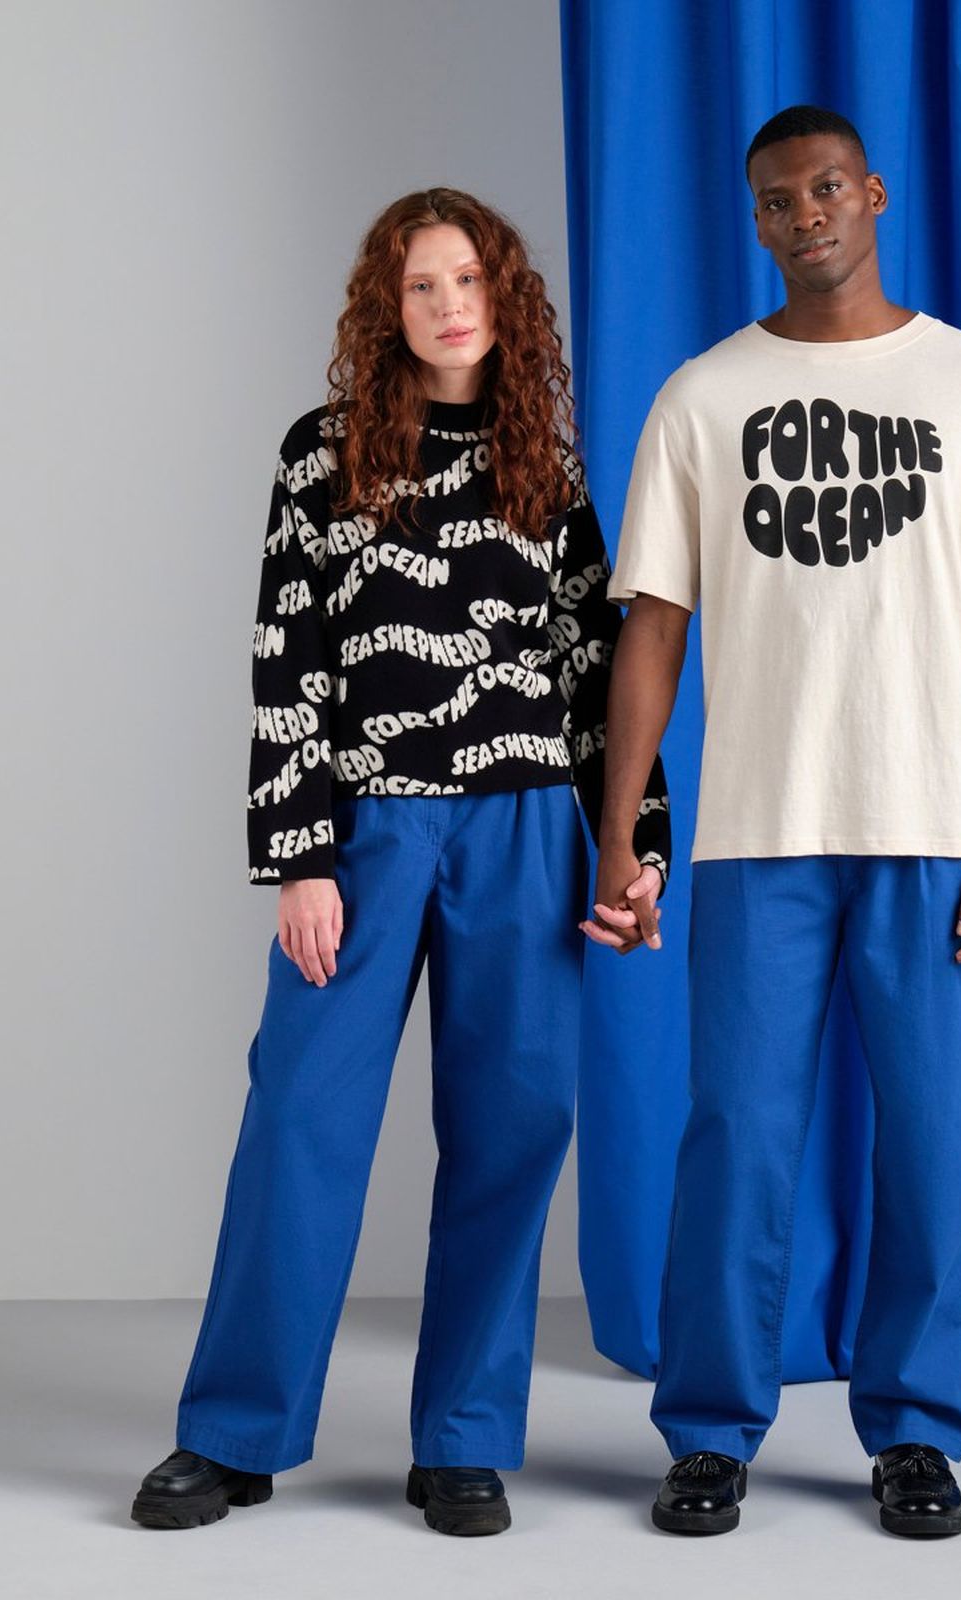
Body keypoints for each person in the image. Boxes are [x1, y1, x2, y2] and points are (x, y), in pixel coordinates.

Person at [130, 187, 671, 1537]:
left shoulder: (547, 460)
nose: (449, 306)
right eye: (421, 286)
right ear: (389, 305)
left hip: (528, 823)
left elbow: (601, 674)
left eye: (469, 280)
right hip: (370, 827)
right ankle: (236, 1432)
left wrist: (634, 846)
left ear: (506, 298)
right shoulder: (323, 457)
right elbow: (287, 656)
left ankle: (463, 1441)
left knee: (511, 1126)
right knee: (301, 1115)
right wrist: (299, 857)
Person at [585, 105, 961, 1538]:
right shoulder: (700, 399)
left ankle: (916, 1434)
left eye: (825, 188)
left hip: (934, 827)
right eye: (774, 200)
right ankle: (708, 1431)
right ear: (753, 222)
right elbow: (651, 635)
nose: (804, 214)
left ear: (871, 193)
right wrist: (618, 832)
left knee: (933, 1144)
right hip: (759, 830)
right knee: (736, 1139)